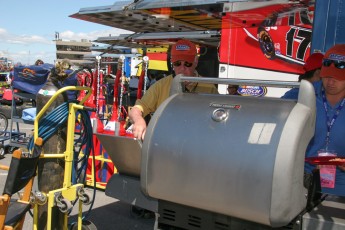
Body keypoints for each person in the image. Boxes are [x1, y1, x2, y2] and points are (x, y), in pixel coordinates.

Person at [129, 39, 218, 140]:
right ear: (172, 63)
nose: (182, 68)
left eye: (187, 64)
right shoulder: (160, 86)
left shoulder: (209, 88)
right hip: (166, 143)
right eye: (177, 63)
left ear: (195, 62)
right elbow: (136, 109)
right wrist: (139, 120)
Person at [304, 44, 345, 196]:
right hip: (304, 183)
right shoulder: (304, 94)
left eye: (338, 77)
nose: (331, 82)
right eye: (327, 76)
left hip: (341, 189)